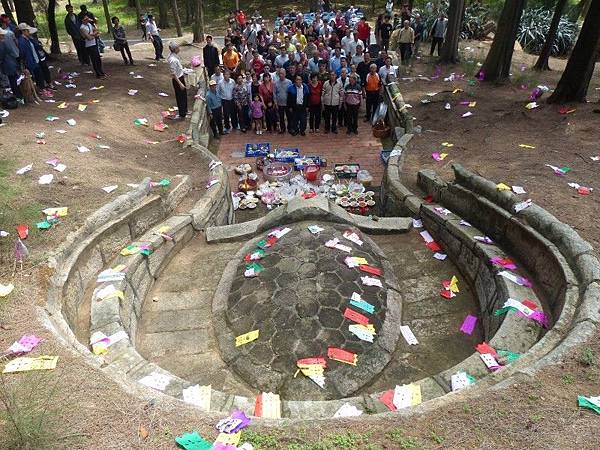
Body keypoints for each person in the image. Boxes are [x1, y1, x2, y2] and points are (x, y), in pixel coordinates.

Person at [17, 23, 46, 91]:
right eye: (27, 30)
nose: (29, 32)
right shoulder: (22, 41)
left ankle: (42, 88)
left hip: (35, 60)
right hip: (30, 62)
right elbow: (22, 53)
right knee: (34, 77)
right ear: (23, 31)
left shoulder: (28, 39)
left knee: (39, 75)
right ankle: (38, 89)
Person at [167, 41, 187, 119]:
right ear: (175, 49)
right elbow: (173, 73)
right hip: (177, 80)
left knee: (184, 95)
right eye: (178, 48)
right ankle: (182, 113)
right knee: (180, 96)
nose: (179, 49)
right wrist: (180, 83)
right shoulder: (172, 59)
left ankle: (185, 110)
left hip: (180, 77)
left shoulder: (175, 57)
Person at [0, 27, 21, 100]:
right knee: (12, 80)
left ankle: (16, 95)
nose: (3, 36)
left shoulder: (2, 43)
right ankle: (17, 94)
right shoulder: (2, 43)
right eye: (2, 34)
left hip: (8, 64)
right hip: (9, 63)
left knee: (12, 80)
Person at [273, 68, 292, 134]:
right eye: (280, 73)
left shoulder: (289, 82)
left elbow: (291, 93)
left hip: (287, 103)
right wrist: (275, 102)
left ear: (285, 74)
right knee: (281, 117)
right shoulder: (275, 83)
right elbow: (274, 93)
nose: (281, 75)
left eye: (282, 74)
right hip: (279, 103)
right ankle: (283, 129)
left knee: (289, 116)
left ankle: (290, 128)